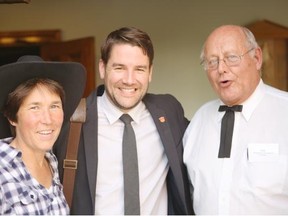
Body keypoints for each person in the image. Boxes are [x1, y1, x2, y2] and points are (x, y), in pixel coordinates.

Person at [54, 27, 194, 215]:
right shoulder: (71, 121)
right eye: (119, 68)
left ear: (150, 72)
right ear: (102, 68)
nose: (129, 80)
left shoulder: (169, 112)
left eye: (139, 69)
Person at [183, 24, 288, 214]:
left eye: (231, 58)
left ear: (256, 58)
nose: (221, 69)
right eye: (212, 62)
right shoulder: (199, 121)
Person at [0, 55, 86, 215]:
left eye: (54, 106)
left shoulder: (51, 162)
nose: (47, 120)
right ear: (12, 117)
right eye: (34, 107)